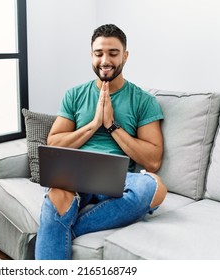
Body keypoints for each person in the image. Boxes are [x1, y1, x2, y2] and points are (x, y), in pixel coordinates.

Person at [35, 24, 167, 260]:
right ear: (91, 55)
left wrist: (112, 125)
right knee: (56, 194)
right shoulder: (74, 95)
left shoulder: (143, 101)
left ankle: (62, 228)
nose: (105, 60)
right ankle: (59, 229)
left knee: (154, 187)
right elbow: (54, 143)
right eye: (99, 53)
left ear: (125, 55)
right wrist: (94, 124)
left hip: (118, 180)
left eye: (113, 53)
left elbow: (153, 160)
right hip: (76, 173)